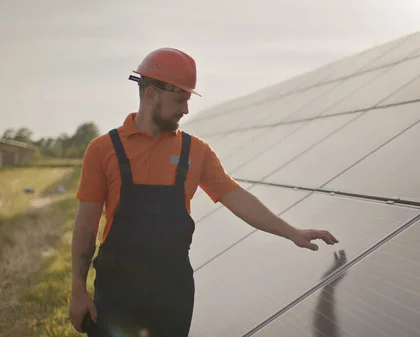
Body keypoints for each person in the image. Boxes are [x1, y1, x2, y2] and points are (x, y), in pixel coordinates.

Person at [68, 47, 339, 337]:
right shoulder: (102, 149)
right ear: (151, 94)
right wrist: (78, 291)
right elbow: (86, 225)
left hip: (172, 291)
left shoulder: (195, 151)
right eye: (180, 99)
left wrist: (292, 232)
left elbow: (236, 197)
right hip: (117, 290)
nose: (186, 109)